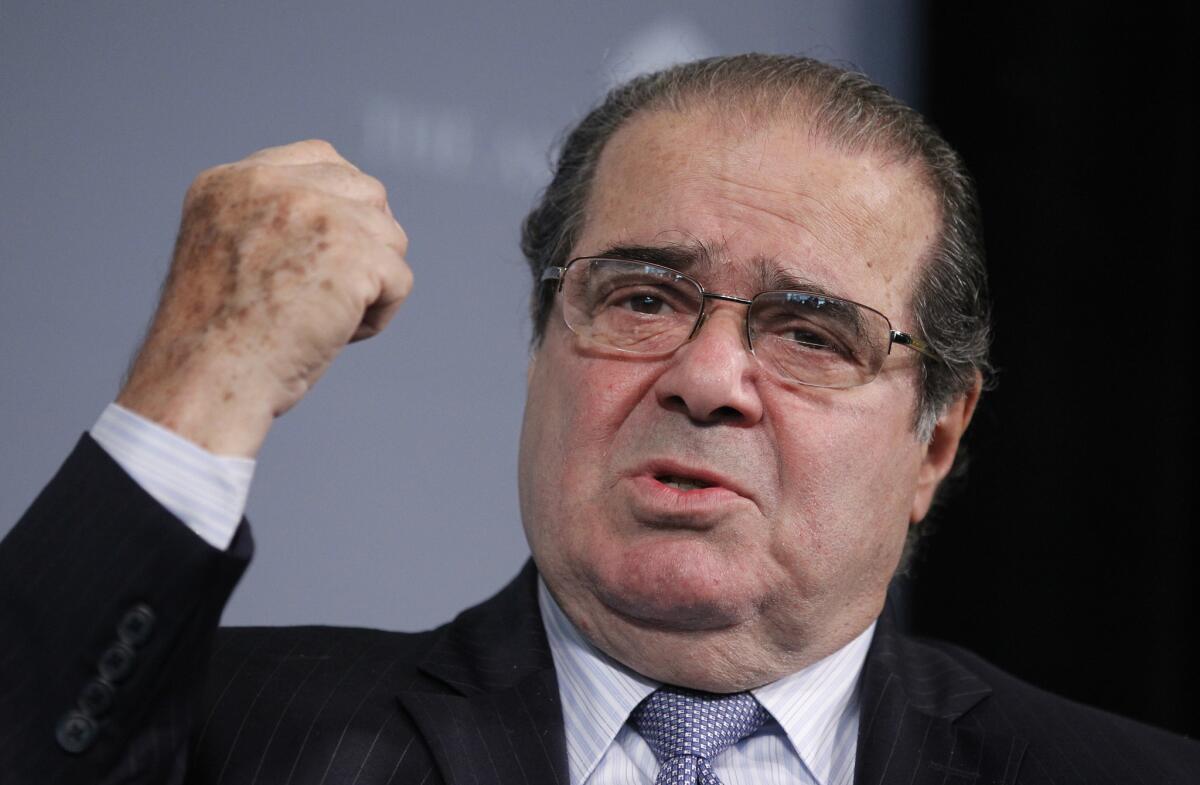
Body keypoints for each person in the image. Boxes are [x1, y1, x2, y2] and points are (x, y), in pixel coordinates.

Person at [1, 54, 1196, 785]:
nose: (709, 376)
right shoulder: (221, 727)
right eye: (641, 297)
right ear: (541, 349)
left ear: (934, 441)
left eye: (811, 333)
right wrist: (202, 372)